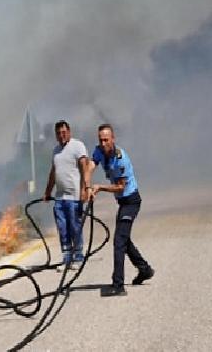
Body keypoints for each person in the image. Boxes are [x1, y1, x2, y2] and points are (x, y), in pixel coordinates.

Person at [85, 124, 155, 296]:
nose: (103, 143)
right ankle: (145, 269)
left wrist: (99, 187)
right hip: (122, 203)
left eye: (106, 140)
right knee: (124, 240)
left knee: (118, 241)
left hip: (131, 201)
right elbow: (89, 167)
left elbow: (121, 187)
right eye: (101, 140)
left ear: (113, 139)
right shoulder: (99, 151)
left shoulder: (120, 158)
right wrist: (87, 187)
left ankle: (118, 285)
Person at [43, 120, 88, 271]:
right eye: (58, 133)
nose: (61, 135)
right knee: (62, 228)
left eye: (64, 132)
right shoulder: (56, 150)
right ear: (56, 135)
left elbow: (84, 167)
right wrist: (48, 191)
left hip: (74, 197)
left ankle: (78, 256)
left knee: (75, 227)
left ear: (69, 132)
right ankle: (67, 258)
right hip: (60, 198)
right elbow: (53, 172)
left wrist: (84, 189)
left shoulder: (77, 146)